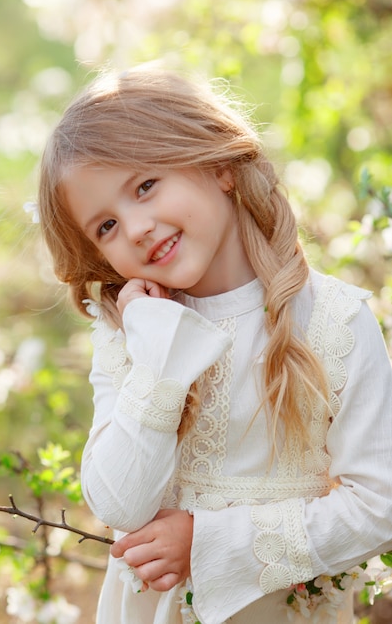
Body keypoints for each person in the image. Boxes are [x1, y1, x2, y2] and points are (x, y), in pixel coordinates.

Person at [37, 65, 392, 624]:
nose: (135, 228)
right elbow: (118, 503)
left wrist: (206, 542)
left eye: (145, 186)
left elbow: (379, 505)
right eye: (105, 225)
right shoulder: (129, 333)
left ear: (219, 166)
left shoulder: (335, 322)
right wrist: (157, 353)